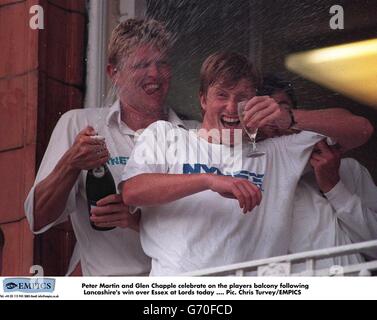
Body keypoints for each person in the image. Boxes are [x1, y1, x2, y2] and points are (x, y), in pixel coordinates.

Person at [120, 52, 373, 275]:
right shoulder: (167, 135)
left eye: (242, 97)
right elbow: (133, 191)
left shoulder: (276, 152)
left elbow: (361, 130)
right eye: (222, 95)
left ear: (255, 103)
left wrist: (290, 117)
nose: (232, 107)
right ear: (203, 99)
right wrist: (209, 180)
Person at [24, 18, 198, 276]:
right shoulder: (80, 124)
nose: (155, 74)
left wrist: (136, 220)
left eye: (162, 63)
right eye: (141, 64)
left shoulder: (195, 133)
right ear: (113, 72)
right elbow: (38, 219)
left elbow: (211, 227)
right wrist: (71, 163)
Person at [259, 75, 377, 269]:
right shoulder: (250, 183)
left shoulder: (348, 169)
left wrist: (335, 188)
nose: (274, 120)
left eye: (281, 109)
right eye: (262, 112)